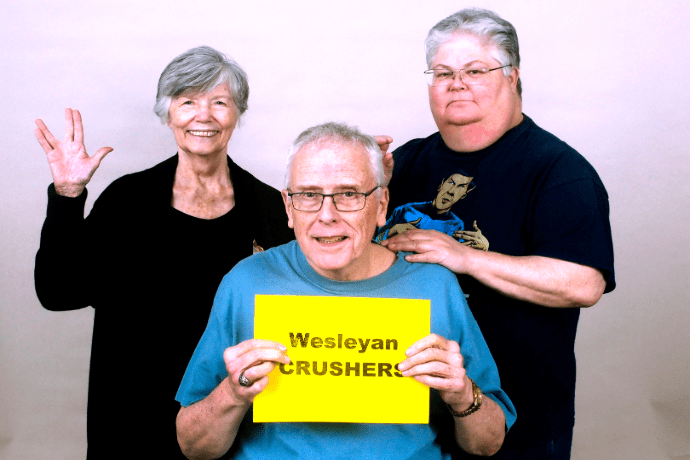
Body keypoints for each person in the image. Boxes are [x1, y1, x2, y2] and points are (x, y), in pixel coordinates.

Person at [175, 122, 517, 459]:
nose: (327, 215)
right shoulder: (246, 281)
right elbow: (194, 448)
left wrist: (461, 394)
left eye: (349, 194)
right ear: (288, 208)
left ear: (382, 205)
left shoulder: (434, 286)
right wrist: (233, 394)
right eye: (308, 195)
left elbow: (487, 444)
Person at [33, 46, 294, 459]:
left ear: (237, 113)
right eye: (187, 101)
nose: (203, 116)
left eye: (219, 102)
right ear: (167, 113)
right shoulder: (126, 201)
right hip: (130, 425)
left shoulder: (270, 209)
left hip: (232, 426)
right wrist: (68, 195)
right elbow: (58, 292)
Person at [378, 8, 616, 459]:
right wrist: (362, 186)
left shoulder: (558, 171)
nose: (456, 82)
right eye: (443, 72)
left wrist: (465, 257)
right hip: (406, 417)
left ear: (513, 76)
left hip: (517, 422)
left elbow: (584, 283)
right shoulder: (405, 163)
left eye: (475, 70)